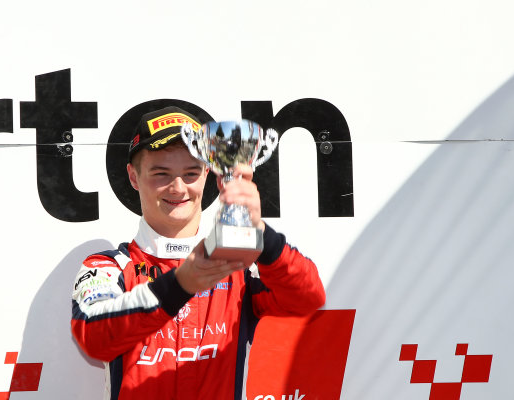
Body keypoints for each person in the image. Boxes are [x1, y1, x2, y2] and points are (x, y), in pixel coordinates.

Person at [71, 106, 325, 400]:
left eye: (190, 173)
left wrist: (260, 235)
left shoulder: (237, 268)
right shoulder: (107, 266)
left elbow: (308, 297)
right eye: (160, 173)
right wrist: (181, 283)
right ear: (133, 177)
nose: (178, 187)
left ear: (208, 172)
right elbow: (95, 337)